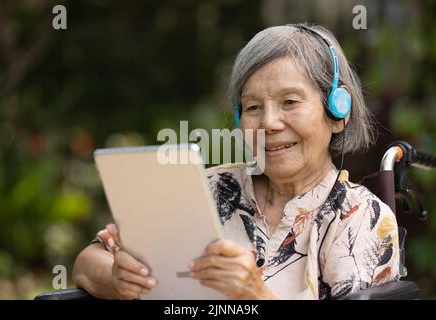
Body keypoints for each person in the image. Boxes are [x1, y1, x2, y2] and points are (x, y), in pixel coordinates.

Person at [72, 23, 400, 300]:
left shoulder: (359, 220)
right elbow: (87, 262)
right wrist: (116, 277)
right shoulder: (209, 190)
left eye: (289, 101)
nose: (269, 123)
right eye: (253, 107)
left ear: (338, 111)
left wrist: (256, 297)